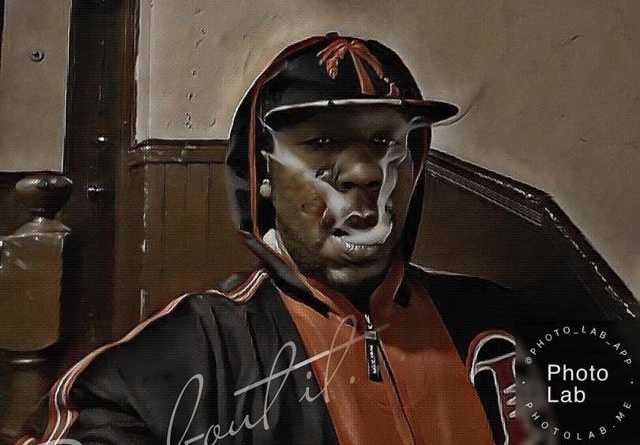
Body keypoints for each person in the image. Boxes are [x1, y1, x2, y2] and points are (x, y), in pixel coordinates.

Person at [19, 33, 523, 445]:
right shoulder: (198, 350)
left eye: (385, 141)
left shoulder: (491, 321)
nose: (366, 171)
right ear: (263, 175)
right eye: (321, 141)